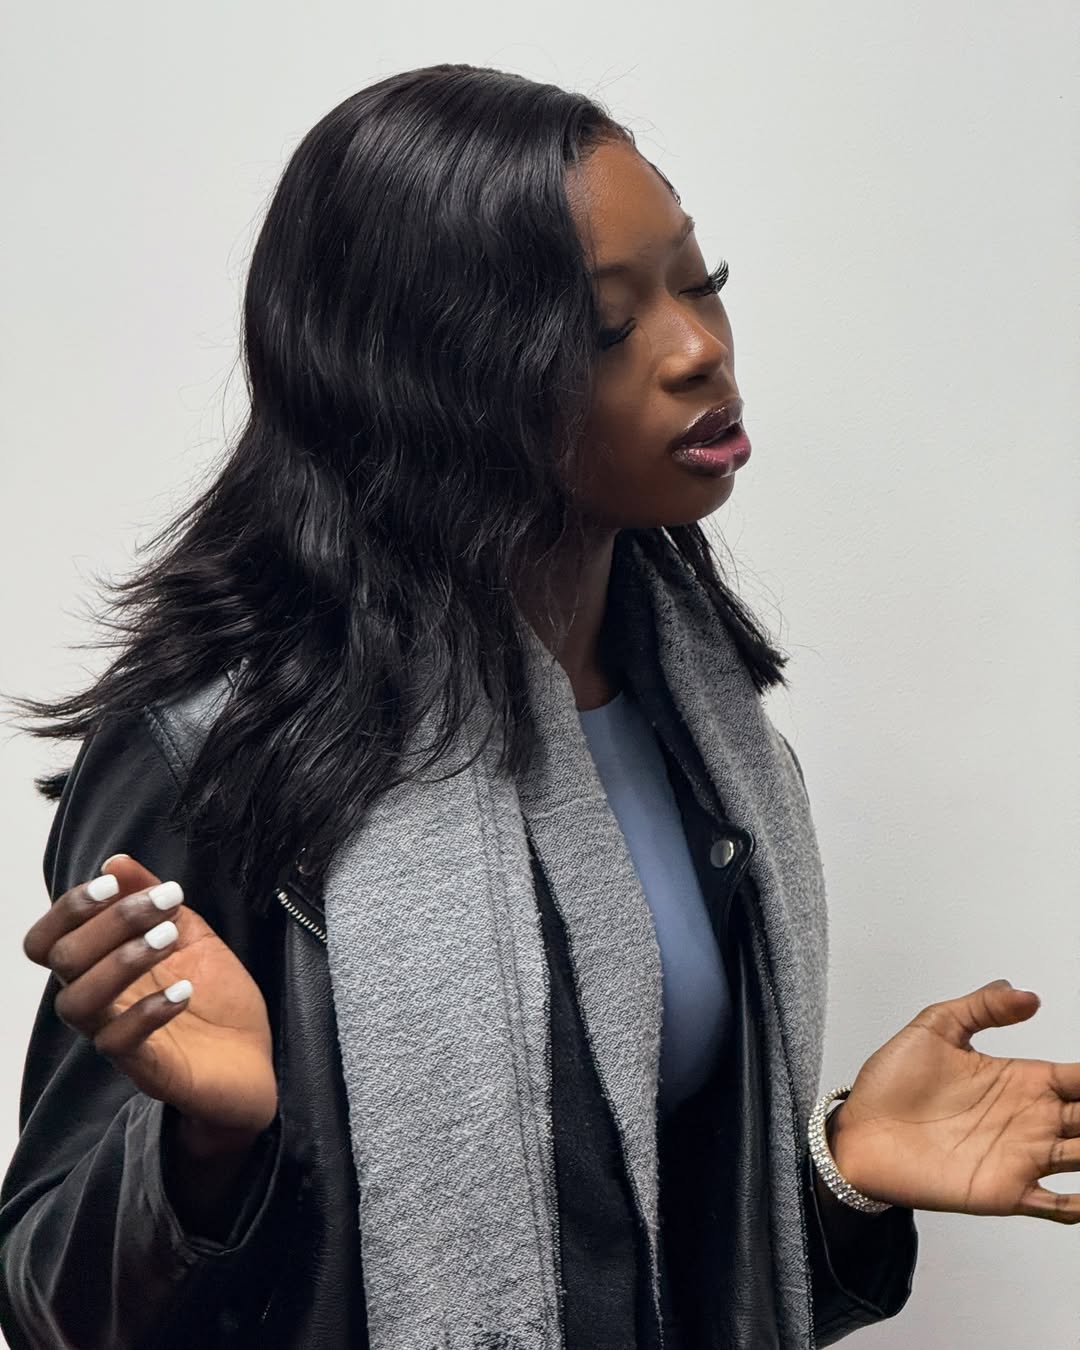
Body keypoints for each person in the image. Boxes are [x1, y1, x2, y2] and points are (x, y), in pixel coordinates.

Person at [1, 63, 1077, 1350]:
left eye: (700, 279)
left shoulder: (710, 738)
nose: (698, 350)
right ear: (427, 378)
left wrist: (836, 1176)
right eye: (608, 326)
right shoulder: (217, 749)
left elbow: (625, 1255)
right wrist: (208, 1149)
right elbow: (49, 1302)